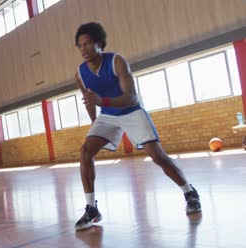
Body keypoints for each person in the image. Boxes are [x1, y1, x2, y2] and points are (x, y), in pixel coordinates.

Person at [73, 22, 201, 231]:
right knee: (85, 151)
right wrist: (95, 121)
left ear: (99, 44)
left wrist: (101, 101)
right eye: (80, 45)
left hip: (131, 111)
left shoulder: (117, 61)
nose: (83, 49)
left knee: (157, 156)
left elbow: (131, 98)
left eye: (87, 43)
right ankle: (91, 209)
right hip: (107, 115)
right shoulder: (80, 74)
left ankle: (189, 192)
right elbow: (89, 100)